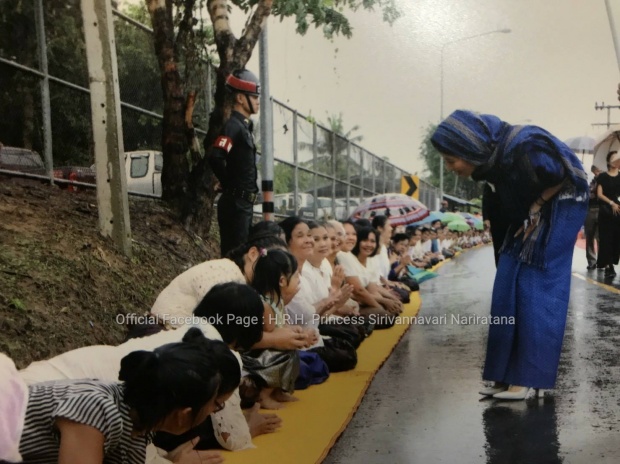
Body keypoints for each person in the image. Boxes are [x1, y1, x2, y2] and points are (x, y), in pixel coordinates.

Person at [431, 110, 588, 400]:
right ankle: (503, 374)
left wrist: (538, 207)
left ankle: (528, 378)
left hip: (561, 204)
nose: (450, 167)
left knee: (532, 285)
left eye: (451, 160)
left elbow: (563, 175)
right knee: (506, 282)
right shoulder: (492, 164)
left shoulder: (524, 148)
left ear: (469, 149)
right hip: (532, 210)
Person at [14, 329, 236, 464]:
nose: (213, 413)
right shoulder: (96, 410)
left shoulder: (136, 430)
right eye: (214, 405)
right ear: (183, 415)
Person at [207, 69, 261, 257]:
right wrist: (230, 183)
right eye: (253, 97)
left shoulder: (245, 128)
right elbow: (216, 156)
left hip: (243, 204)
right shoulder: (233, 126)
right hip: (236, 204)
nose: (257, 101)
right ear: (240, 98)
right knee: (236, 258)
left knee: (244, 256)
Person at [596, 151, 620, 277]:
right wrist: (612, 203)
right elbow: (599, 194)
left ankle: (613, 263)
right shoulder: (603, 177)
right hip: (606, 212)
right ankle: (608, 266)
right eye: (614, 158)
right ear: (609, 161)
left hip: (618, 213)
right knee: (606, 239)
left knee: (616, 239)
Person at [585, 165, 602, 270]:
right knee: (589, 236)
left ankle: (602, 261)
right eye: (598, 170)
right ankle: (592, 261)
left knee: (600, 237)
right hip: (590, 209)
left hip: (601, 210)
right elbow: (589, 194)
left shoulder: (605, 182)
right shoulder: (591, 182)